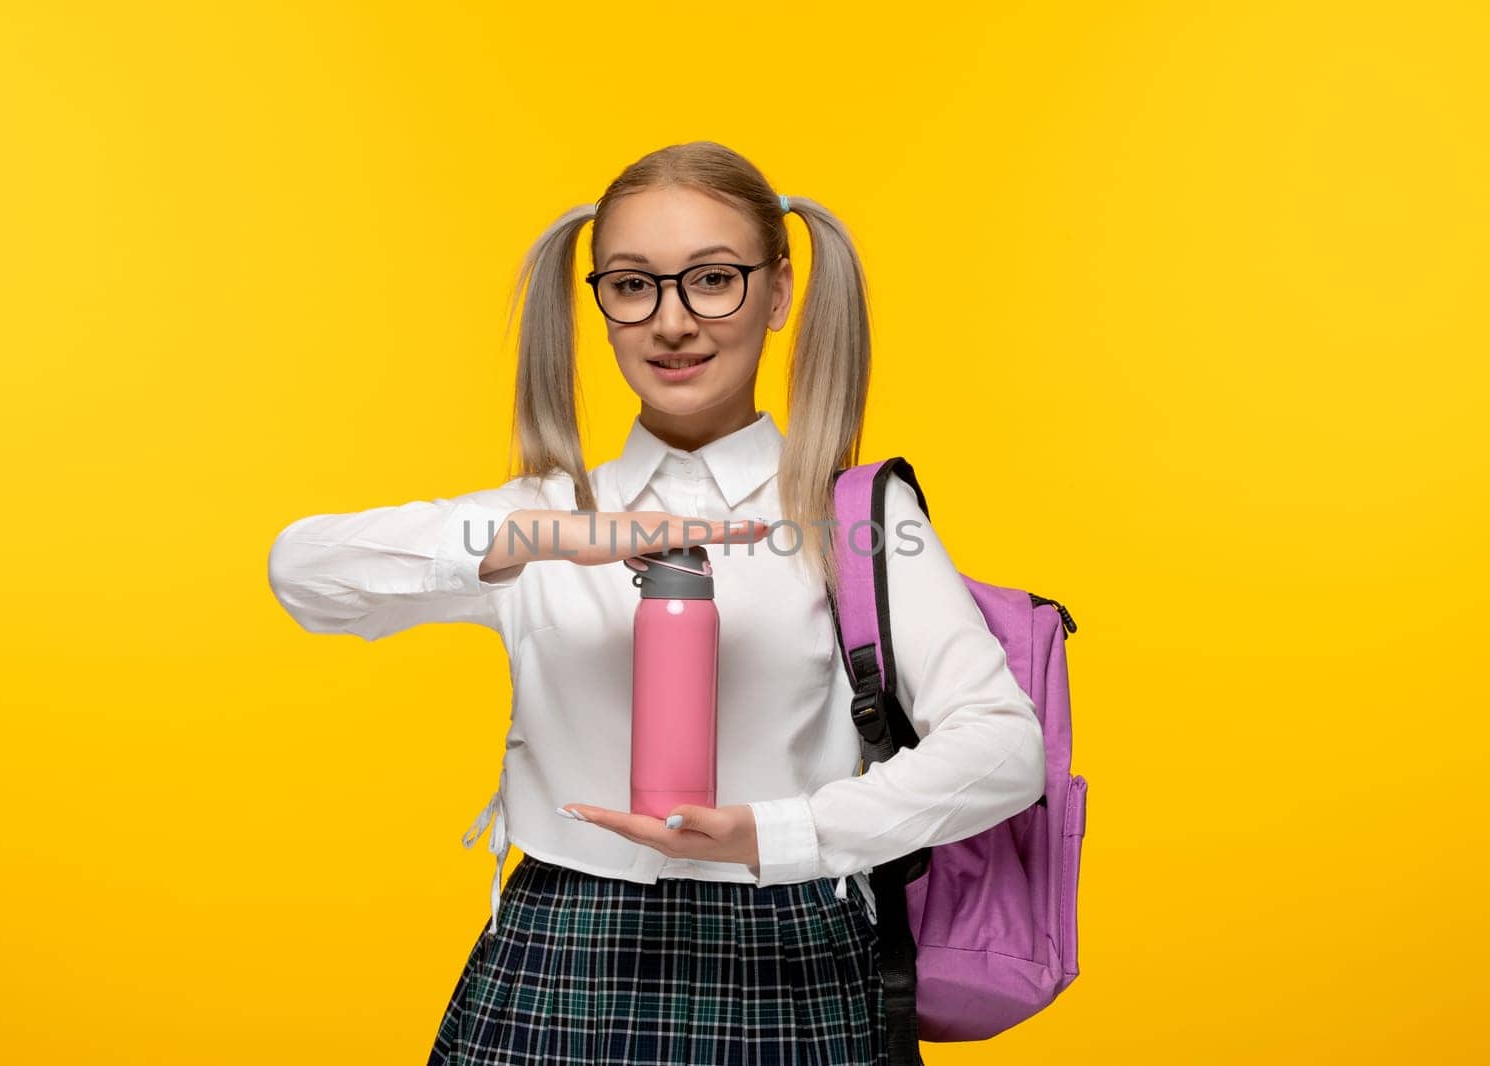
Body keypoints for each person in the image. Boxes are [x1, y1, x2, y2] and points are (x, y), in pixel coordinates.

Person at [267, 141, 1046, 1066]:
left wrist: (784, 833)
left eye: (713, 279)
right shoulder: (547, 513)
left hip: (787, 947)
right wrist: (542, 537)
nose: (672, 321)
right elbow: (304, 571)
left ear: (780, 293)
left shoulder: (855, 519)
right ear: (600, 306)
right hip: (564, 948)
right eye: (634, 286)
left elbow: (1004, 746)